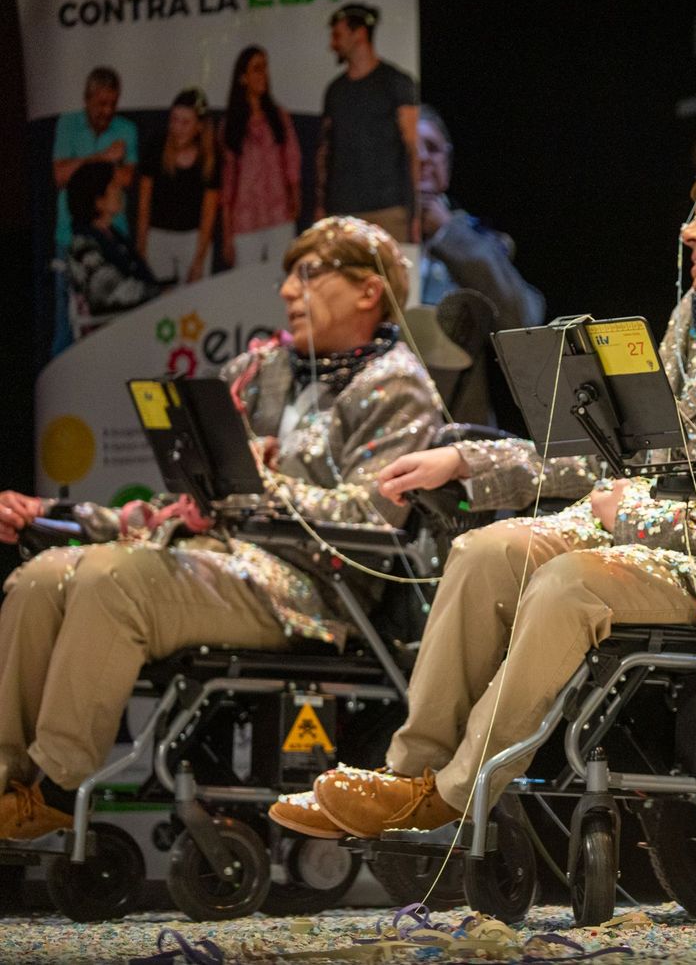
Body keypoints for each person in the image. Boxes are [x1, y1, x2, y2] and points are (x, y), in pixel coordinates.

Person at [267, 157, 696, 839]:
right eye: (693, 215)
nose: (690, 231)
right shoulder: (694, 323)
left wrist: (637, 515)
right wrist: (469, 460)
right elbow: (612, 453)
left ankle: (453, 793)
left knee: (568, 583)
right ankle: (408, 771)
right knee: (484, 551)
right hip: (660, 541)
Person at [0, 218, 441, 841]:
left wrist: (266, 485)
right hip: (213, 559)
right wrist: (61, 515)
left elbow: (372, 516)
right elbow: (191, 502)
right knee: (41, 577)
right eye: (288, 276)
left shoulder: (398, 386)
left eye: (308, 274)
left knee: (112, 580)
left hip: (314, 590)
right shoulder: (261, 370)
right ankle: (7, 778)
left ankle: (55, 789)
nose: (286, 291)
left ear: (369, 291)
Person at [410, 103, 546, 425]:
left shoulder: (476, 239)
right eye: (410, 150)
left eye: (432, 148)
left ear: (448, 160)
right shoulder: (367, 237)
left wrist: (446, 233)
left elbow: (525, 318)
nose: (423, 158)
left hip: (458, 425)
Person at [50, 67, 138, 350]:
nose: (107, 110)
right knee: (69, 318)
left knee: (114, 319)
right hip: (70, 237)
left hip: (112, 235)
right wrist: (104, 157)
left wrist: (83, 166)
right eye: (101, 104)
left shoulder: (126, 130)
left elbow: (126, 179)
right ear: (87, 99)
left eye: (113, 103)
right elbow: (60, 176)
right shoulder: (68, 125)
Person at [316, 3, 419, 244]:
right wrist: (320, 206)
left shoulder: (396, 82)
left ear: (359, 34)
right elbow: (325, 152)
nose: (333, 44)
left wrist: (414, 213)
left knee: (389, 269)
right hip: (341, 212)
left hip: (388, 210)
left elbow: (414, 149)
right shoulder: (335, 90)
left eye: (338, 35)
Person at [221, 46, 303, 267]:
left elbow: (292, 160)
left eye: (265, 68)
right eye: (257, 69)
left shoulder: (279, 117)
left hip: (279, 214)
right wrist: (227, 234)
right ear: (243, 77)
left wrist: (295, 196)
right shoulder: (231, 124)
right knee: (247, 281)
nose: (263, 74)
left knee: (282, 276)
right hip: (245, 220)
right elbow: (227, 183)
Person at [136, 88, 220, 285]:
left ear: (199, 126)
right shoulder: (156, 146)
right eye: (174, 119)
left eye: (185, 122)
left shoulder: (210, 157)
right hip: (158, 236)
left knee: (195, 298)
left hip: (192, 238)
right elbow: (144, 204)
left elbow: (209, 213)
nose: (178, 128)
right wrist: (141, 247)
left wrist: (199, 260)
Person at [64, 161, 161, 323]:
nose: (121, 191)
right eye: (114, 186)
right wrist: (160, 294)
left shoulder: (113, 236)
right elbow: (112, 292)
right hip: (113, 327)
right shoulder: (83, 246)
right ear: (99, 200)